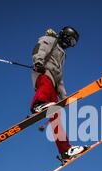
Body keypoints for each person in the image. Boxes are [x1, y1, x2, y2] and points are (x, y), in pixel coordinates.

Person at [30, 26, 87, 163]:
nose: (70, 44)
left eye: (73, 43)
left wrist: (64, 97)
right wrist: (38, 62)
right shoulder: (50, 40)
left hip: (53, 85)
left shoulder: (62, 55)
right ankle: (38, 105)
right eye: (71, 40)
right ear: (65, 36)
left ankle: (65, 150)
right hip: (43, 74)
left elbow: (59, 77)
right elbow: (40, 49)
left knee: (56, 118)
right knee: (47, 84)